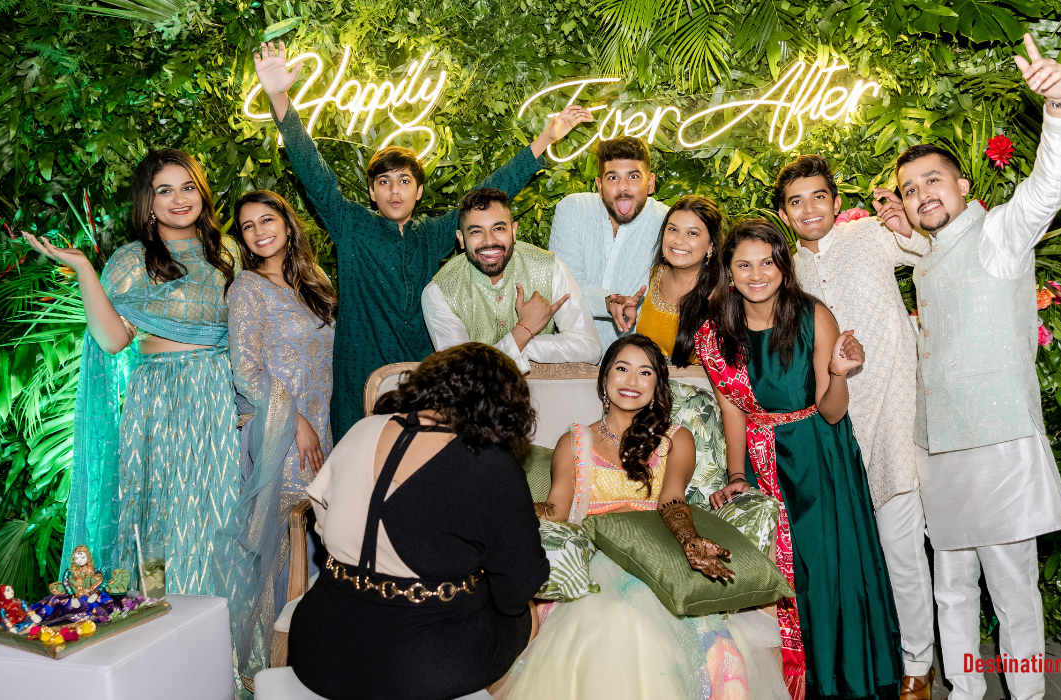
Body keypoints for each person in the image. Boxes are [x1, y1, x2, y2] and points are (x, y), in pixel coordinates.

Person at [874, 34, 1061, 700]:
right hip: (937, 445)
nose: (921, 192)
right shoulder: (927, 258)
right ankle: (963, 691)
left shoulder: (997, 234)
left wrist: (1060, 108)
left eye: (932, 179)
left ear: (963, 184)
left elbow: (1049, 186)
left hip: (994, 445)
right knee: (948, 583)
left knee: (1011, 586)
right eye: (909, 188)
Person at [253, 41, 593, 442]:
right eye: (383, 182)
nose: (394, 190)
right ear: (372, 193)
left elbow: (489, 197)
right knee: (361, 480)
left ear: (418, 192)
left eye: (404, 181)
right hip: (358, 376)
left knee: (421, 478)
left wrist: (543, 141)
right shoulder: (351, 226)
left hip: (424, 378)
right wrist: (280, 99)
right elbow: (314, 172)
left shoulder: (434, 234)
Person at [494, 334, 790, 700]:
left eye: (645, 373)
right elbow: (556, 509)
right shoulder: (574, 442)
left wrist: (688, 540)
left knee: (658, 629)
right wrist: (502, 513)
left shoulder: (675, 439)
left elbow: (671, 500)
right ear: (604, 380)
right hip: (598, 557)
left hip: (657, 556)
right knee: (614, 621)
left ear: (657, 386)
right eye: (622, 369)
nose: (632, 381)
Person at [698, 219, 903, 700]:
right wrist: (734, 475)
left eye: (766, 262)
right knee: (776, 576)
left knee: (823, 570)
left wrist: (839, 373)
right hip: (759, 461)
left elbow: (832, 411)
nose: (756, 274)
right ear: (728, 272)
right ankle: (785, 682)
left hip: (818, 457)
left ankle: (836, 681)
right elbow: (733, 410)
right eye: (743, 264)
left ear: (783, 266)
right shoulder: (717, 332)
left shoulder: (813, 316)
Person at [23, 149, 241, 596]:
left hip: (218, 393)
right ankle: (156, 613)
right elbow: (111, 341)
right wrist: (84, 267)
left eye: (187, 187)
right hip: (157, 395)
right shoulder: (130, 260)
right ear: (148, 201)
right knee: (156, 512)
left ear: (201, 193)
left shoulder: (229, 253)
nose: (179, 199)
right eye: (165, 190)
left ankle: (215, 628)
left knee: (216, 513)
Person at [287, 343, 548, 699]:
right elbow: (519, 582)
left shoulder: (364, 429)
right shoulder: (490, 463)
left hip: (318, 649)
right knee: (526, 615)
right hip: (421, 668)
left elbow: (324, 522)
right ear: (503, 407)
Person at [775, 155, 935, 698]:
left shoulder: (869, 235)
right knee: (847, 558)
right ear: (784, 214)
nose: (809, 208)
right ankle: (867, 661)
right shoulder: (784, 274)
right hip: (828, 427)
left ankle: (918, 663)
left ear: (837, 202)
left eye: (819, 196)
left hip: (889, 418)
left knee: (901, 547)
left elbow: (929, 249)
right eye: (796, 201)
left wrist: (905, 225)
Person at [218, 190, 338, 679]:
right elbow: (246, 370)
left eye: (267, 219)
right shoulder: (246, 288)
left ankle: (310, 655)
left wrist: (319, 425)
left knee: (318, 539)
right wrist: (298, 423)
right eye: (247, 226)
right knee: (280, 542)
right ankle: (265, 666)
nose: (259, 231)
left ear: (288, 225)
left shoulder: (315, 283)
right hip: (279, 434)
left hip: (322, 430)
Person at [421, 188, 601, 371]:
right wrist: (524, 330)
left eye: (498, 228)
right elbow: (459, 375)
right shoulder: (440, 292)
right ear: (461, 239)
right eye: (476, 232)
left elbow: (589, 347)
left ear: (514, 231)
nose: (489, 241)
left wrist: (525, 344)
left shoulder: (548, 267)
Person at [549, 136, 670, 350]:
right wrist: (609, 301)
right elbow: (563, 286)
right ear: (599, 185)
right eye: (612, 178)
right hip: (573, 352)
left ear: (650, 183)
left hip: (638, 358)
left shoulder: (666, 221)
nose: (623, 188)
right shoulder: (573, 210)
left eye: (633, 176)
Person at [636, 195, 723, 364]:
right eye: (673, 229)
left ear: (711, 243)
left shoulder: (722, 292)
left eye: (692, 233)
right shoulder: (650, 275)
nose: (678, 241)